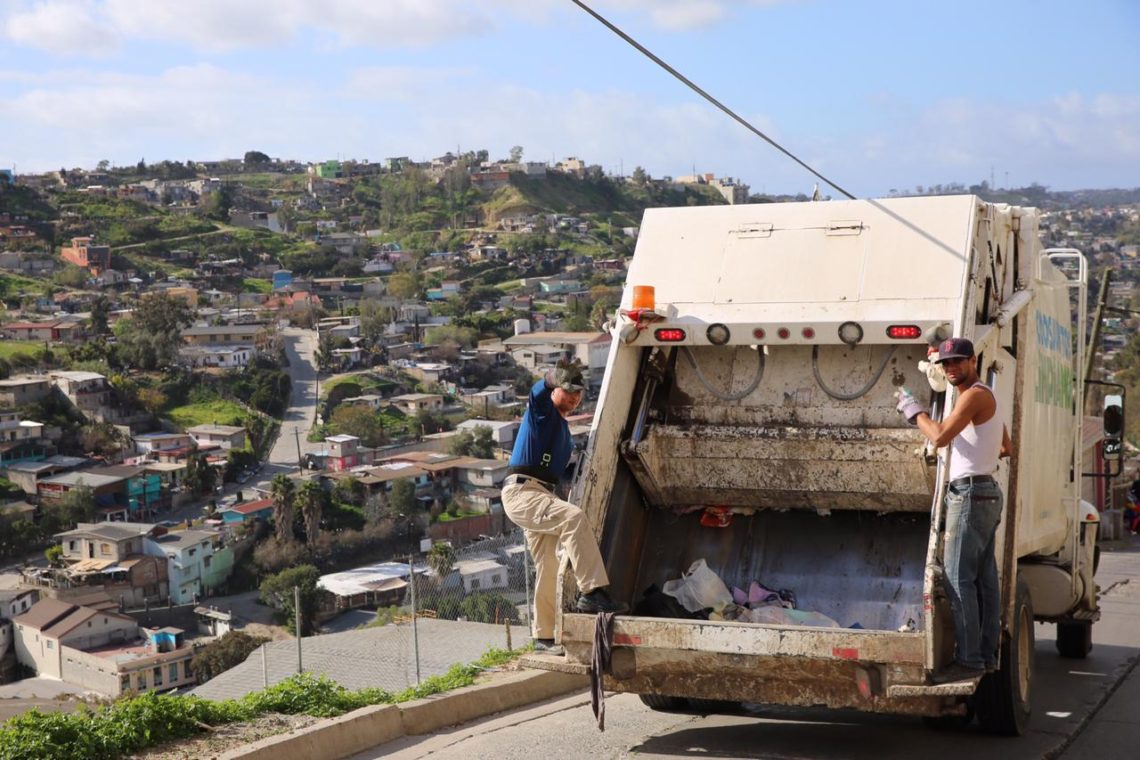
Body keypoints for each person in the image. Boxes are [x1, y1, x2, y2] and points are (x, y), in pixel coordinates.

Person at [896, 337, 1012, 683]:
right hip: (986, 491)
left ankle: (969, 660)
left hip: (972, 494)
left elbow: (942, 435)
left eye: (958, 362)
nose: (951, 369)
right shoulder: (983, 397)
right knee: (984, 581)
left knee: (958, 579)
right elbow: (1007, 446)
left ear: (973, 360)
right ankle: (986, 655)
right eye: (946, 364)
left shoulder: (974, 395)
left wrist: (915, 412)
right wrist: (978, 452)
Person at [504, 357, 627, 656]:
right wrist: (550, 378)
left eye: (578, 394)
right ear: (555, 391)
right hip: (523, 492)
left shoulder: (562, 430)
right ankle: (593, 592)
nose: (573, 398)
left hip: (541, 494)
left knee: (549, 565)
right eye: (567, 391)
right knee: (573, 518)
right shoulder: (542, 413)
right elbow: (537, 392)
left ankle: (544, 637)